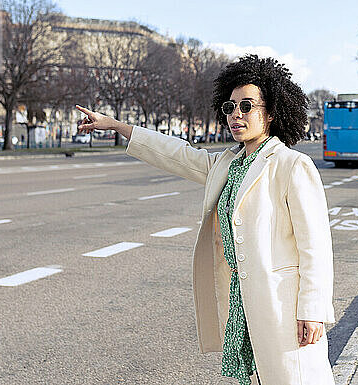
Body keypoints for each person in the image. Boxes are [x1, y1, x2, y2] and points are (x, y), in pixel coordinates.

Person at [75, 54, 335, 385]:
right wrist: (116, 125)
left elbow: (316, 246)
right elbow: (176, 153)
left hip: (282, 304)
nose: (236, 115)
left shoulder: (291, 165)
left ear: (270, 112)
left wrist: (312, 310)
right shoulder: (226, 163)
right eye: (230, 107)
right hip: (243, 305)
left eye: (247, 106)